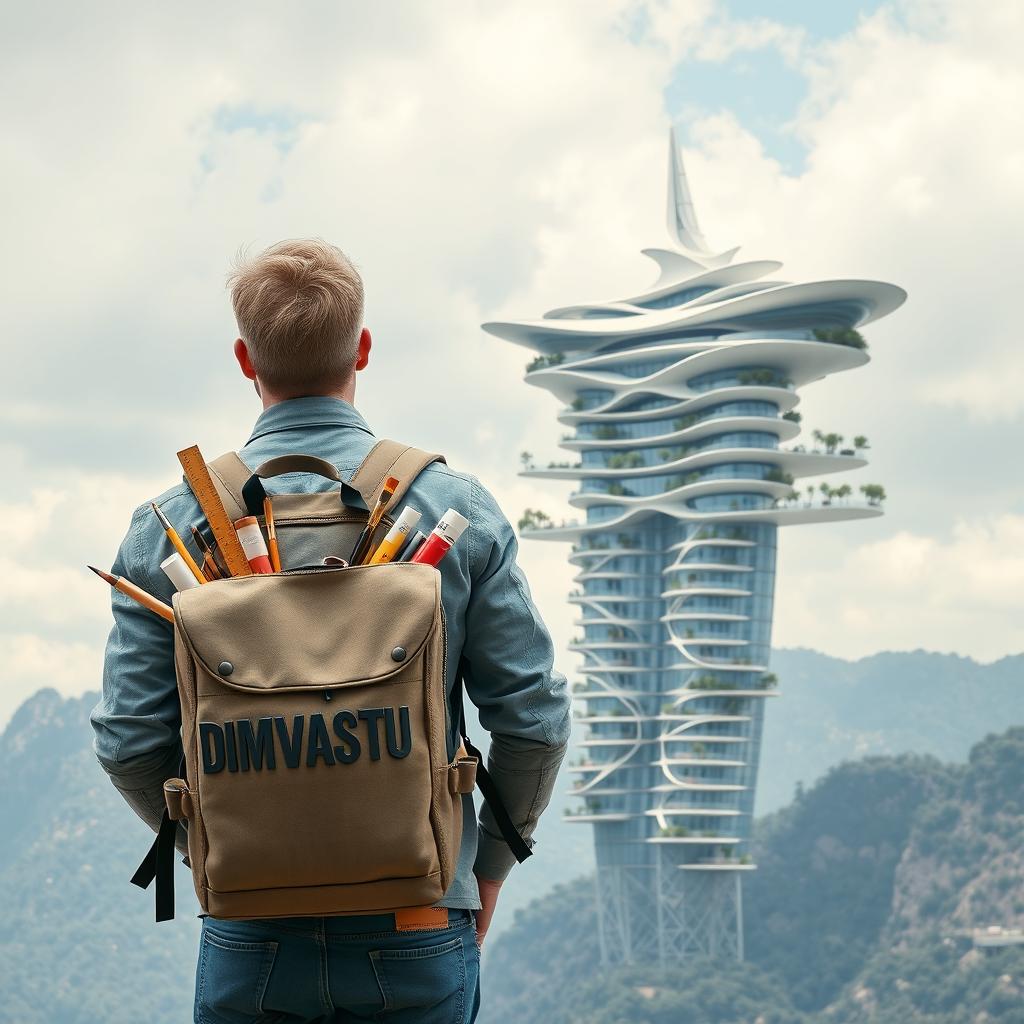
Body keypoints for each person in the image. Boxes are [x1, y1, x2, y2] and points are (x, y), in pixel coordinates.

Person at [90, 238, 572, 1024]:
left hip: (249, 931)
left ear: (246, 359)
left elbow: (127, 740)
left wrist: (213, 847)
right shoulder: (456, 509)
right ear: (364, 348)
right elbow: (534, 720)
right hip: (418, 918)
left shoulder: (169, 527)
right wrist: (483, 869)